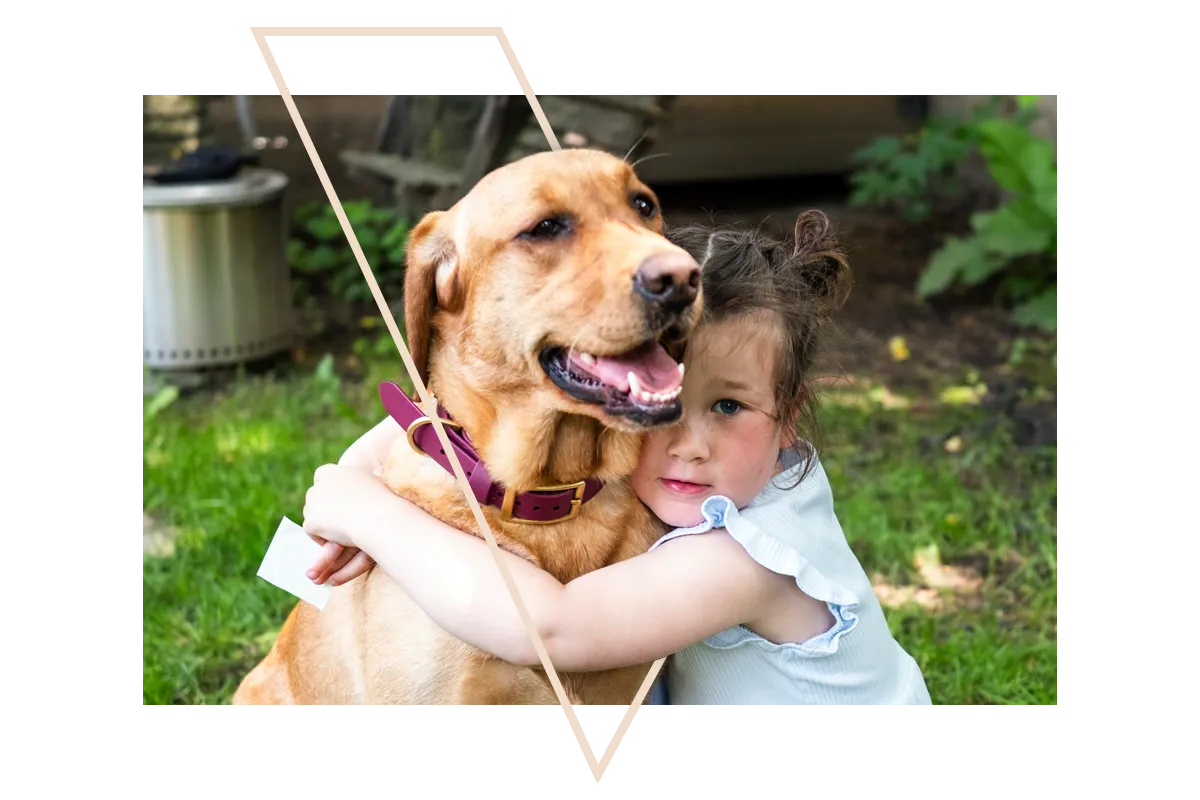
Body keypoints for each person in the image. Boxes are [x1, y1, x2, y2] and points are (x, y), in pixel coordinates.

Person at [300, 211, 933, 709]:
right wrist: (350, 474)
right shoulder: (731, 479)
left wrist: (370, 515)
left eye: (729, 407)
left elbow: (551, 631)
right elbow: (455, 410)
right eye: (663, 399)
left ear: (788, 415)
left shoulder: (749, 556)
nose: (691, 443)